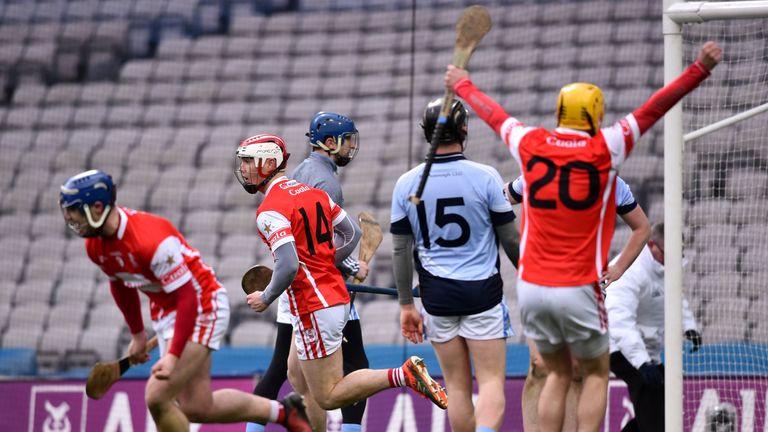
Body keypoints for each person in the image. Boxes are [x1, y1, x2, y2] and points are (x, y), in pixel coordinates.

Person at [444, 40, 722, 431]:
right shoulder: (608, 146)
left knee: (555, 374)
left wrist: (463, 86)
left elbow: (494, 115)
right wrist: (700, 68)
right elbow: (655, 107)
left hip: (533, 286)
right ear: (596, 115)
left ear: (559, 111)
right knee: (594, 372)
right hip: (578, 285)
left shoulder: (530, 144)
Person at [59, 169, 311, 432]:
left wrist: (173, 356)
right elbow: (120, 284)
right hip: (168, 310)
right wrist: (137, 335)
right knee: (197, 407)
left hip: (202, 304)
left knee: (157, 396)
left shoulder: (150, 240)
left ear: (97, 206)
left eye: (74, 210)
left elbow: (187, 298)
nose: (70, 218)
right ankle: (284, 412)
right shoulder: (95, 246)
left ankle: (283, 411)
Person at [234, 133, 448, 431]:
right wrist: (326, 262)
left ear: (269, 163)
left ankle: (403, 375)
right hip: (332, 298)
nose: (243, 168)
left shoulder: (269, 211)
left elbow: (288, 265)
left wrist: (266, 297)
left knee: (328, 395)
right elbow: (353, 234)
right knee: (296, 376)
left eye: (248, 162)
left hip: (313, 306)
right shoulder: (314, 193)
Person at [391, 98, 520, 432]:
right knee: (490, 383)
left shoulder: (406, 183)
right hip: (483, 296)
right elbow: (511, 242)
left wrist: (407, 305)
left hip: (437, 299)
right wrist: (534, 276)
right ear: (464, 129)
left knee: (457, 387)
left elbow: (401, 251)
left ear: (427, 133)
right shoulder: (486, 177)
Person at [246, 112, 371, 432]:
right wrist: (351, 264)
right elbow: (329, 241)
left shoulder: (299, 172)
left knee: (288, 373)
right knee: (352, 366)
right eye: (347, 141)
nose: (351, 148)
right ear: (330, 143)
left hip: (298, 287)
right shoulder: (326, 183)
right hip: (319, 290)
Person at [506, 175, 651, 431]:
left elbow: (642, 227)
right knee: (540, 366)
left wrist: (618, 267)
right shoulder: (539, 170)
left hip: (586, 287)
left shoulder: (611, 181)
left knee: (577, 370)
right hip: (540, 282)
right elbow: (500, 198)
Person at [606, 223, 702, 432]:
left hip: (645, 349)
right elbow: (619, 324)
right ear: (651, 245)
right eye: (669, 254)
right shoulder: (628, 272)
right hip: (614, 346)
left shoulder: (665, 265)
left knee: (664, 401)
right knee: (650, 394)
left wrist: (689, 326)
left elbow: (676, 295)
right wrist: (642, 363)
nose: (674, 260)